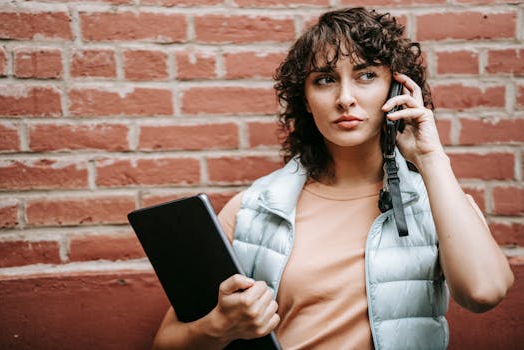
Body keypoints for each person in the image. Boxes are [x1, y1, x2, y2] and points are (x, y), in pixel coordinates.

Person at [152, 7, 514, 349]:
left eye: (366, 75)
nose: (345, 98)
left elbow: (484, 292)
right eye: (325, 80)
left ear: (397, 91)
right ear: (306, 100)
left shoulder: (438, 200)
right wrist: (220, 327)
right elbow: (165, 341)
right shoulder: (255, 208)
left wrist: (430, 157)